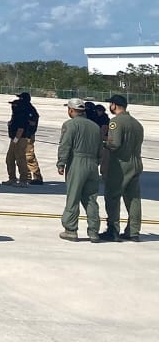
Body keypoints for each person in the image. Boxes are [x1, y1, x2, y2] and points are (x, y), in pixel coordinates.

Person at [56, 98, 101, 241]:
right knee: (91, 199)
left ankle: (71, 229)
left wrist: (61, 163)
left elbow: (65, 145)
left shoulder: (70, 125)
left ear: (71, 110)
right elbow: (101, 149)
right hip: (93, 164)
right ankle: (94, 231)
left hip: (77, 162)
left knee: (73, 196)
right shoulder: (95, 127)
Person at [101, 93, 144, 242]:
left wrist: (102, 143)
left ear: (114, 105)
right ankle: (133, 231)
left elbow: (115, 144)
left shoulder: (116, 122)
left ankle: (113, 229)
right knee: (133, 199)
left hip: (120, 165)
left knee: (112, 197)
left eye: (110, 104)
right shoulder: (137, 124)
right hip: (136, 163)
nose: (109, 107)